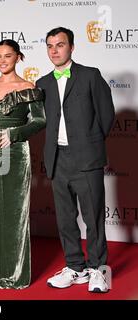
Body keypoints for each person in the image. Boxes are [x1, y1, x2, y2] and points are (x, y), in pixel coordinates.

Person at [36, 27, 115, 293]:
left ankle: (98, 270)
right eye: (50, 46)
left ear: (71, 47)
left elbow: (106, 117)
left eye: (60, 45)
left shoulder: (90, 76)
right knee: (65, 219)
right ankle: (75, 267)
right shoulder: (43, 83)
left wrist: (89, 144)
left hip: (86, 158)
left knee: (93, 218)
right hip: (57, 158)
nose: (54, 50)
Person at [0, 39, 46, 289]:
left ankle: (13, 273)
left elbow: (40, 121)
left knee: (14, 212)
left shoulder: (28, 87)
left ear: (18, 57)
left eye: (7, 56)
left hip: (15, 150)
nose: (2, 60)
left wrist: (15, 134)